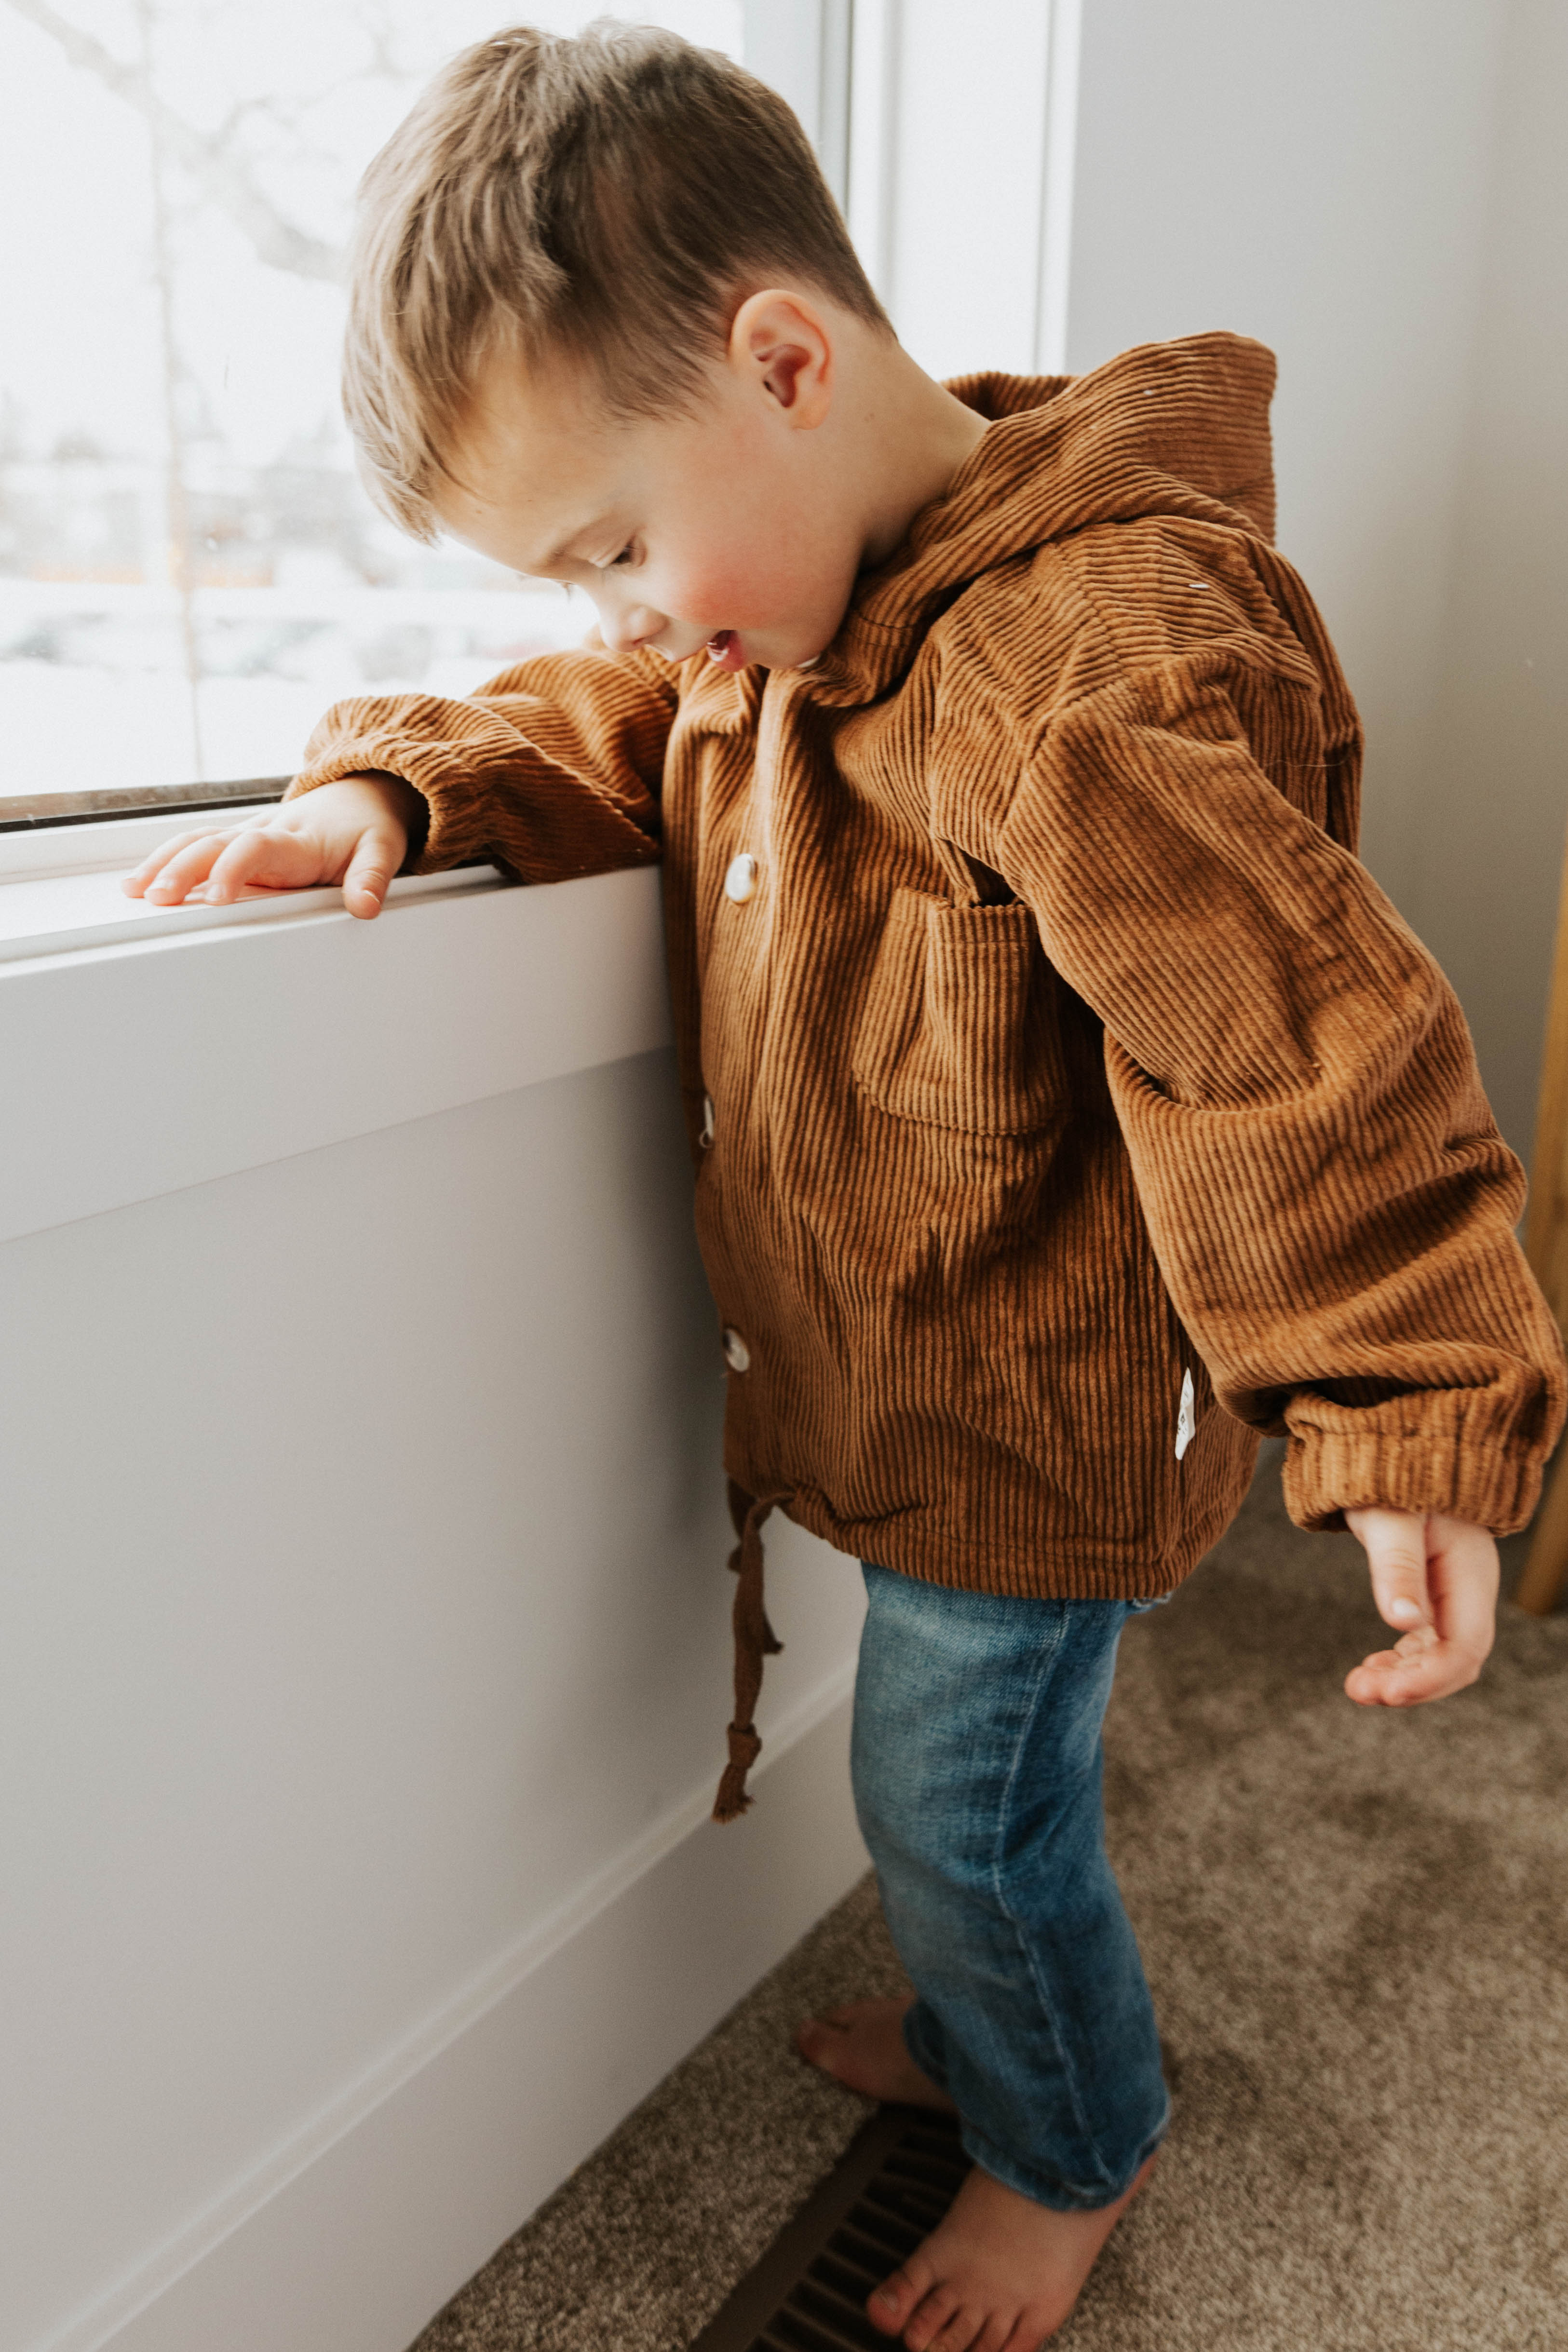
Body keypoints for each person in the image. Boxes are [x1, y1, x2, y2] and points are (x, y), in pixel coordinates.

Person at [123, 24, 1567, 2351]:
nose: (622, 612)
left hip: (1037, 1429)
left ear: (782, 358)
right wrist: (398, 788)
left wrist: (1412, 1400)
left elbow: (1298, 1038)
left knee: (958, 1810)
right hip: (913, 1386)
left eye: (611, 545)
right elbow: (608, 719)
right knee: (957, 1799)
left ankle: (1070, 2134)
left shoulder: (1082, 671)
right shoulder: (786, 611)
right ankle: (1004, 2025)